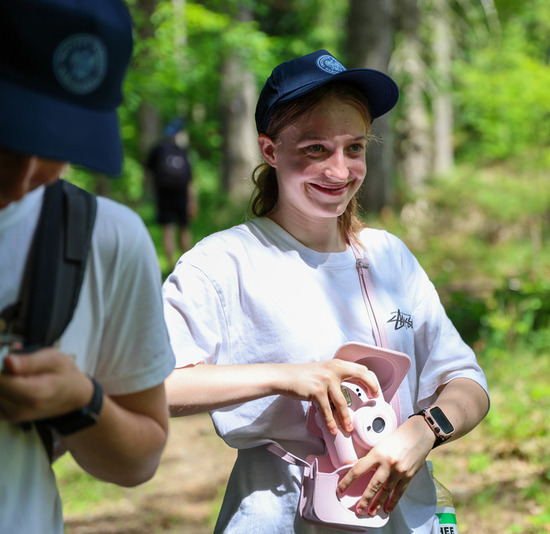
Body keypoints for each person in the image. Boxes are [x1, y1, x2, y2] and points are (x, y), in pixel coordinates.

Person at [162, 49, 490, 533]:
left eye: (353, 148)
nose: (339, 172)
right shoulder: (222, 263)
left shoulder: (388, 256)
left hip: (404, 514)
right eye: (316, 149)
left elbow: (465, 380)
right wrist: (285, 377)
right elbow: (155, 385)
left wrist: (426, 429)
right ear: (270, 151)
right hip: (280, 513)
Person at [0, 1, 176, 532]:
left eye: (57, 141)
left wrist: (80, 402)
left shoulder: (103, 239)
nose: (24, 177)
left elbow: (139, 458)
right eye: (9, 133)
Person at [145, 117, 196, 266]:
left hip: (163, 193)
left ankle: (171, 265)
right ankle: (189, 265)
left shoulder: (157, 149)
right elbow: (190, 180)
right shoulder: (182, 151)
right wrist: (192, 201)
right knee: (184, 228)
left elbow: (148, 172)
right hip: (181, 193)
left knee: (168, 229)